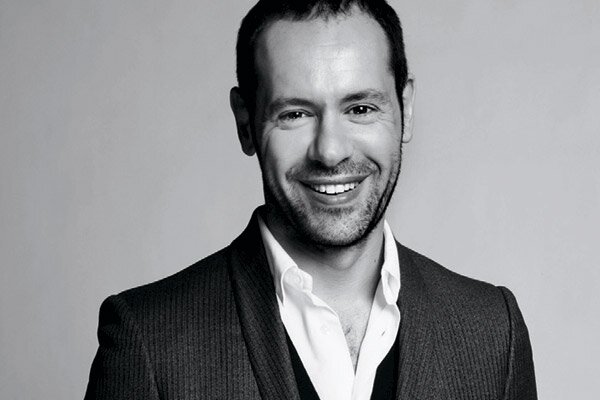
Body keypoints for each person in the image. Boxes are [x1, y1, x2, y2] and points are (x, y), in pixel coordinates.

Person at [84, 0, 537, 399]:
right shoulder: (149, 340)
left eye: (361, 109)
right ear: (245, 123)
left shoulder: (493, 332)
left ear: (406, 108)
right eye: (295, 113)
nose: (331, 150)